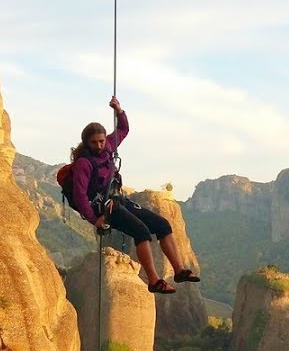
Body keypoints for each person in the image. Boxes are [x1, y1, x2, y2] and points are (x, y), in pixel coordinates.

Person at [68, 96, 201, 294]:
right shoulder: (84, 164)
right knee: (142, 232)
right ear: (87, 143)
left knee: (163, 225)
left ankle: (179, 270)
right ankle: (154, 280)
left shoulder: (109, 148)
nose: (99, 145)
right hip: (103, 208)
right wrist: (94, 219)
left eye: (102, 141)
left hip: (118, 199)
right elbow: (79, 195)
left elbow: (123, 130)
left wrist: (119, 110)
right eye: (94, 142)